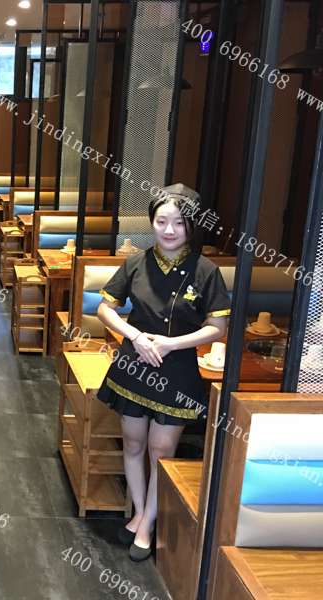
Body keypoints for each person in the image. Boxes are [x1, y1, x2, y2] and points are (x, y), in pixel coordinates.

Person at [95, 184, 230, 562]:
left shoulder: (206, 271)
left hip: (177, 371)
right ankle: (141, 512)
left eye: (179, 223)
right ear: (152, 222)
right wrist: (135, 336)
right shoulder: (136, 262)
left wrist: (171, 343)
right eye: (161, 221)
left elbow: (218, 327)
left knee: (161, 450)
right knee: (133, 443)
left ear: (192, 226)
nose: (169, 230)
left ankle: (147, 523)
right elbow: (105, 308)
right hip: (135, 364)